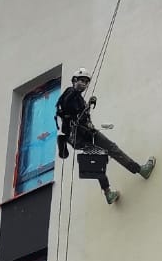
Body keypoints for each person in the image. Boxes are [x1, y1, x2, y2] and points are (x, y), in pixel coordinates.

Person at [55, 68, 154, 204]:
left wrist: (88, 104)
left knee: (98, 160)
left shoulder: (77, 98)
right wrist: (82, 97)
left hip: (80, 138)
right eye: (81, 80)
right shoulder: (71, 92)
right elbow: (68, 104)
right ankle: (141, 170)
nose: (84, 84)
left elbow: (76, 113)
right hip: (84, 135)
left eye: (86, 82)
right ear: (74, 81)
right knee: (112, 150)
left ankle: (108, 193)